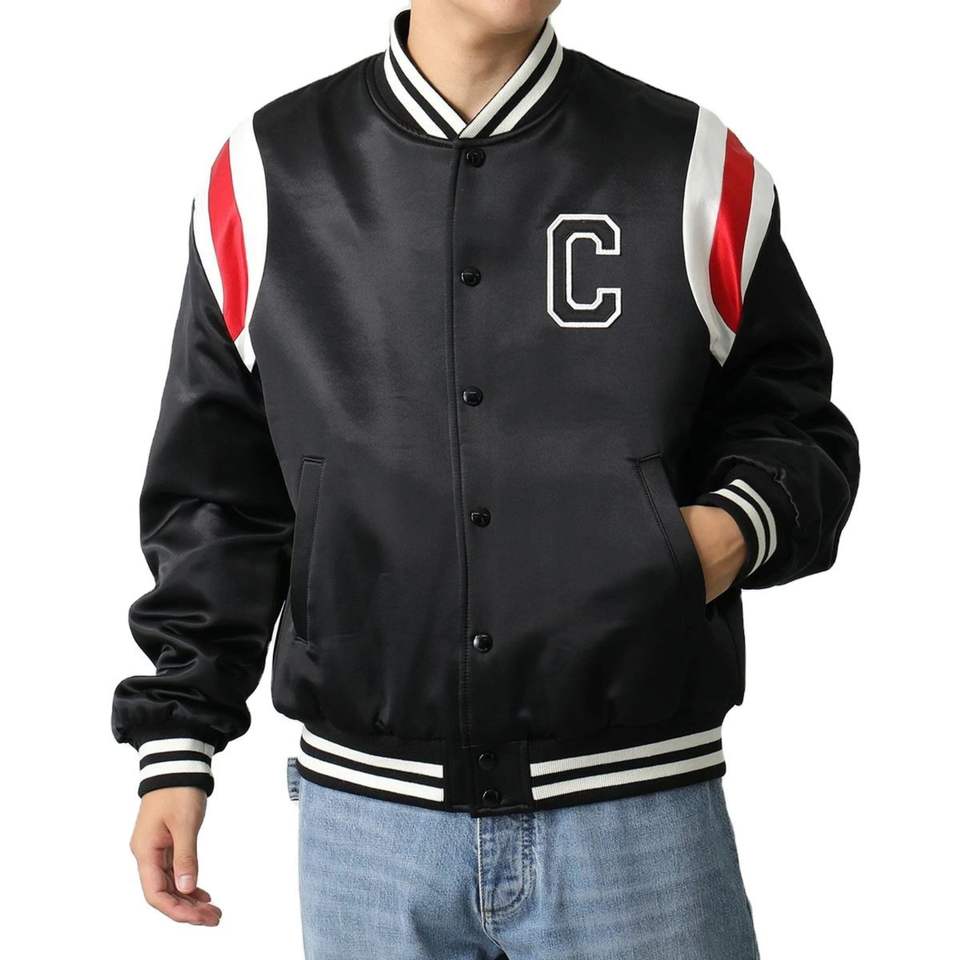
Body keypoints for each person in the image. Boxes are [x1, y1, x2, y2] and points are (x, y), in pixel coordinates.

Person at [113, 2, 859, 956]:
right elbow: (218, 492)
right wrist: (178, 741)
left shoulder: (690, 162)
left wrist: (717, 538)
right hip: (367, 834)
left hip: (638, 816)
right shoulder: (266, 174)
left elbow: (794, 426)